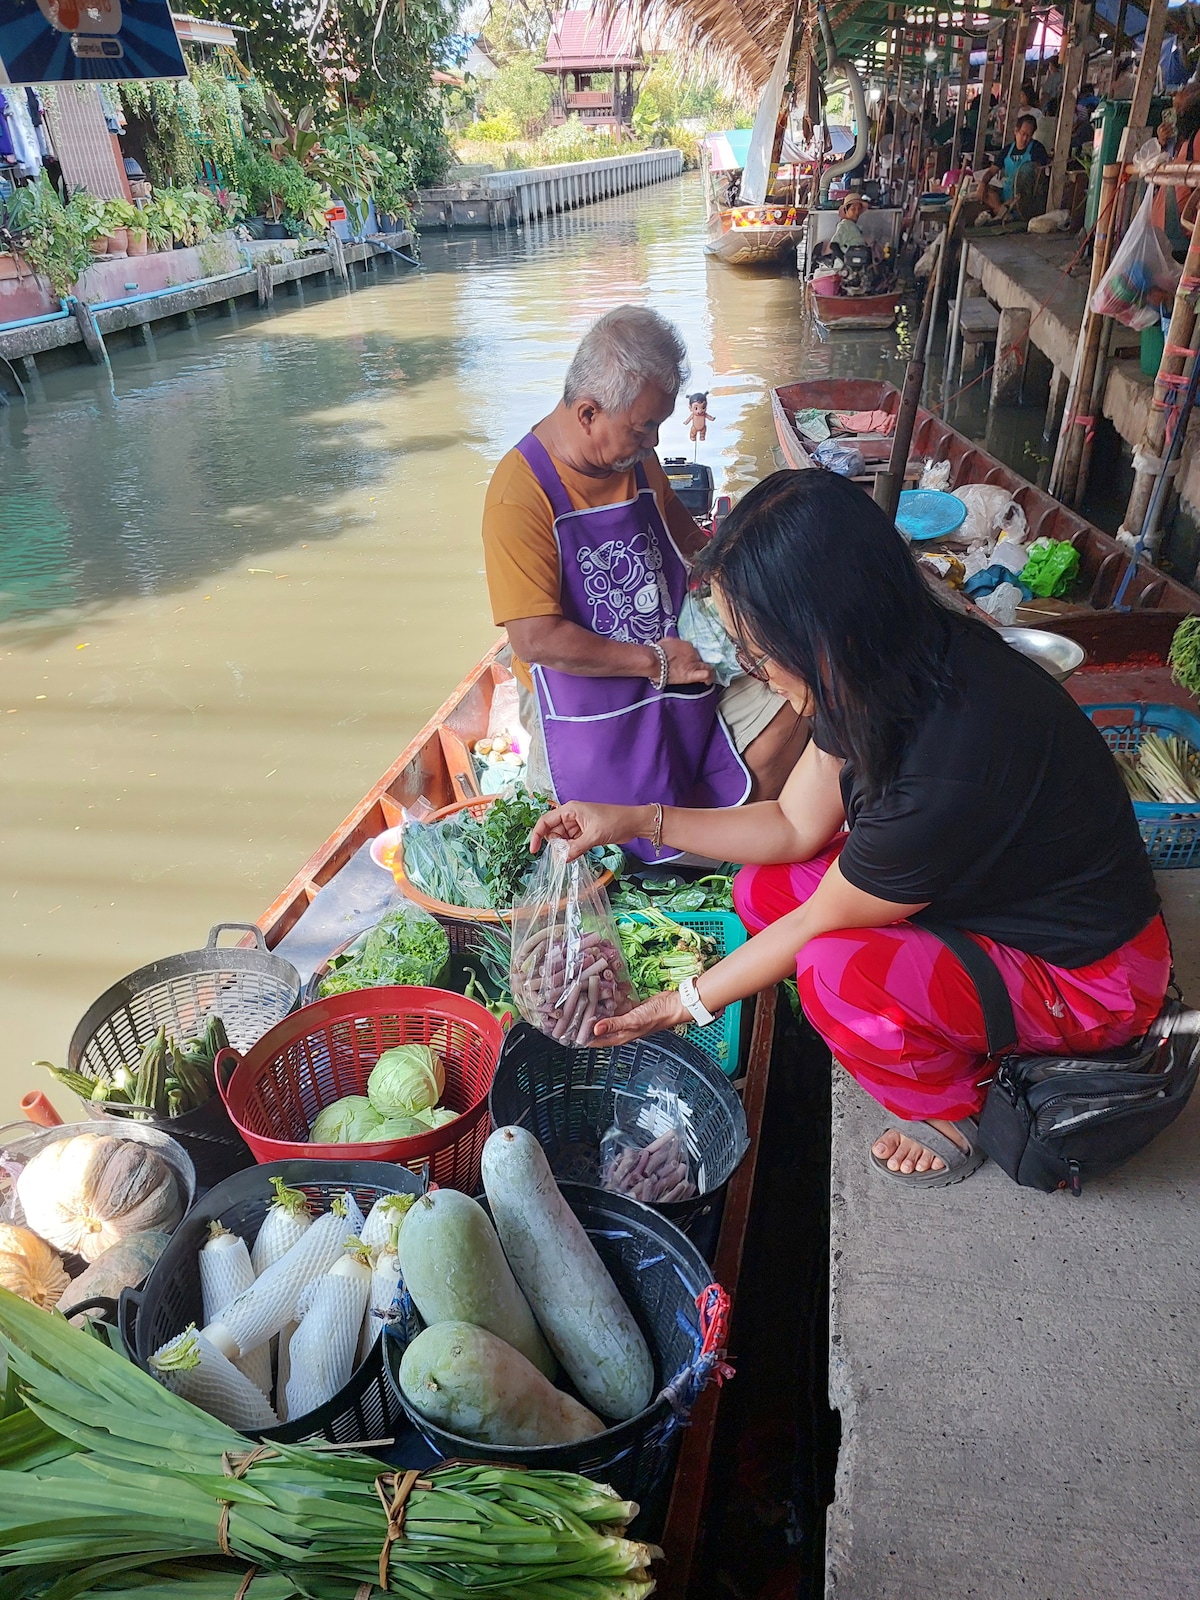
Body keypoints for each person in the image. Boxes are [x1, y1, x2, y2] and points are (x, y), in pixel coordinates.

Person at [529, 471, 1171, 1188]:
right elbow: (792, 824)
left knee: (836, 978)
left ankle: (959, 1106)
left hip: (1093, 978)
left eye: (758, 654)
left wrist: (680, 1005)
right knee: (764, 891)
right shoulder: (872, 664)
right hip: (1001, 905)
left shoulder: (946, 759)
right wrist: (632, 819)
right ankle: (943, 1029)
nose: (758, 675)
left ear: (821, 627)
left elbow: (819, 926)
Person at [482, 306, 806, 858]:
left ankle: (729, 841)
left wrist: (757, 587)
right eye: (642, 428)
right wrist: (655, 662)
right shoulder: (520, 494)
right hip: (583, 697)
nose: (653, 442)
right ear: (587, 412)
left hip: (677, 658)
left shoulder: (632, 460)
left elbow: (687, 537)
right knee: (585, 845)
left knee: (802, 683)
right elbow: (534, 639)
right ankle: (673, 852)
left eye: (657, 424)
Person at [975, 113, 1049, 218]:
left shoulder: (1037, 149)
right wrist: (983, 183)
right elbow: (992, 171)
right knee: (984, 191)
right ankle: (1002, 211)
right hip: (1006, 194)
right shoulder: (1007, 149)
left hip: (1025, 197)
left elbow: (1040, 178)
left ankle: (1000, 211)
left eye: (1029, 135)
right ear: (1016, 131)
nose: (1025, 138)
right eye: (1023, 134)